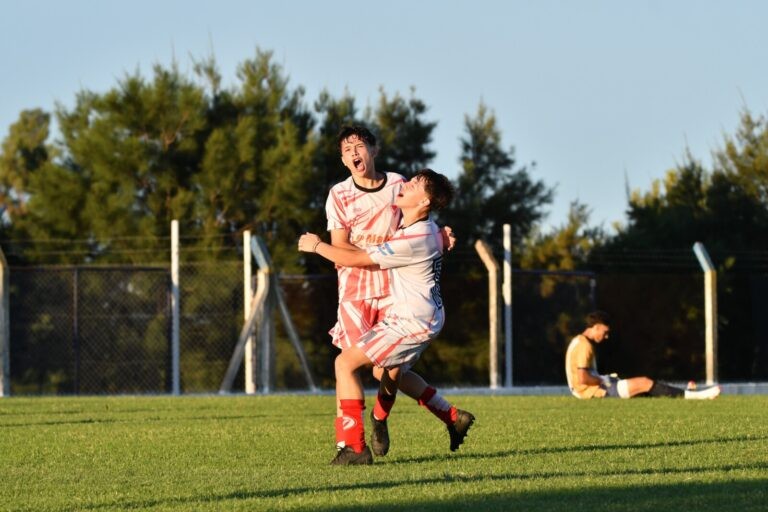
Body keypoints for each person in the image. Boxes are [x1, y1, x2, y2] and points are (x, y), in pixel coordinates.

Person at [324, 125, 473, 458]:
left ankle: (370, 431)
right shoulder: (339, 194)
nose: (353, 153)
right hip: (356, 292)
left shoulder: (398, 185)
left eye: (359, 146)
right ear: (343, 160)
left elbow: (416, 222)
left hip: (393, 291)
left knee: (382, 370)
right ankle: (351, 440)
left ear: (374, 150)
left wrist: (440, 236)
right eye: (347, 150)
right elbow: (341, 247)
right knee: (350, 365)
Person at [565, 310, 721, 399]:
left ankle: (687, 393)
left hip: (585, 392)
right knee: (645, 383)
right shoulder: (585, 346)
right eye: (605, 332)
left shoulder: (578, 341)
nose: (606, 336)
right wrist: (602, 380)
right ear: (597, 327)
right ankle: (699, 396)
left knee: (642, 388)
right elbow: (583, 378)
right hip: (591, 392)